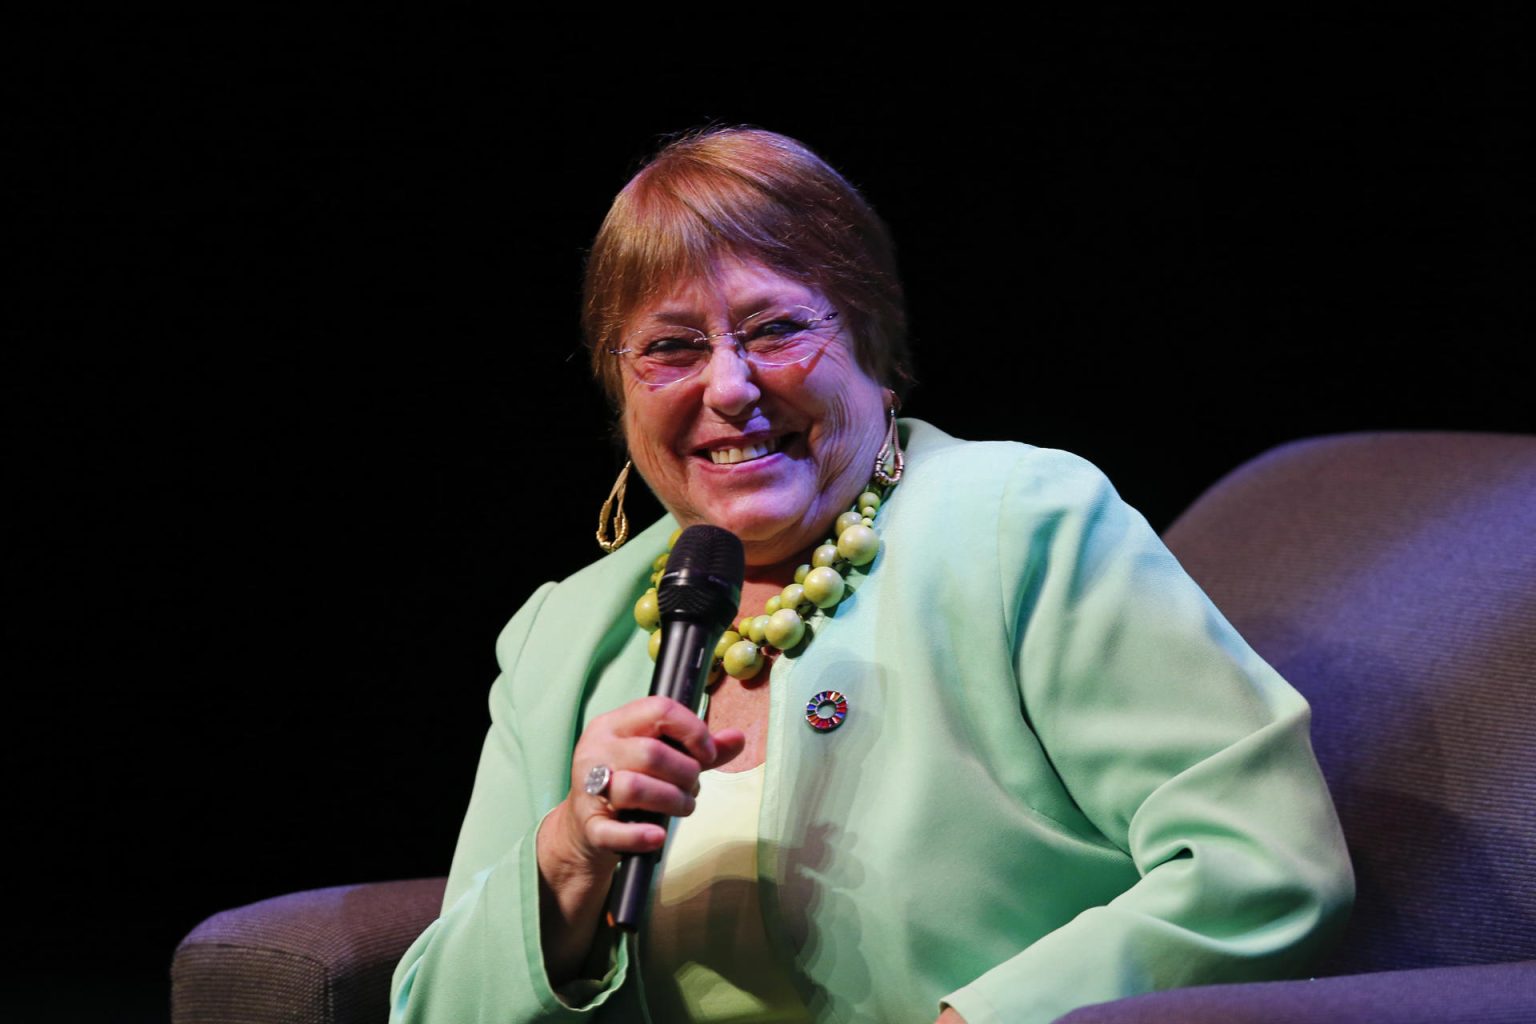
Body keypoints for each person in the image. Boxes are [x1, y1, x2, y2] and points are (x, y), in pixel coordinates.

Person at [389, 127, 1353, 1024]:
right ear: (623, 395)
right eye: (672, 348)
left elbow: (1259, 865)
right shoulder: (563, 632)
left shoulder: (1024, 524)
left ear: (870, 348)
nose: (728, 388)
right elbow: (428, 1005)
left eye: (773, 329)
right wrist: (569, 855)